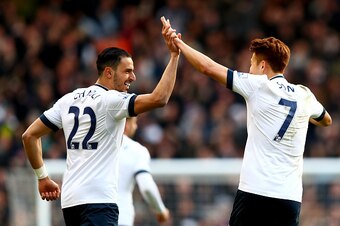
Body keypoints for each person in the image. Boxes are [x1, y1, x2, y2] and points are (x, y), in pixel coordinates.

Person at [167, 22, 332, 226]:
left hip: (255, 192)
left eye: (252, 64)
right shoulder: (304, 94)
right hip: (290, 198)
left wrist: (178, 44)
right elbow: (326, 120)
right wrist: (302, 114)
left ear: (263, 66)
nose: (250, 70)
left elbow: (207, 67)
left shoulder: (258, 85)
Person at [21, 16, 179, 226]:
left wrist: (42, 177)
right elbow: (160, 99)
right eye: (128, 71)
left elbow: (29, 136)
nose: (133, 77)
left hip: (71, 202)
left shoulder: (68, 99)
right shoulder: (112, 100)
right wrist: (174, 56)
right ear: (108, 72)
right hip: (99, 201)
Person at [118, 117, 169, 226]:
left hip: (87, 215)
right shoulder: (136, 150)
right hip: (120, 217)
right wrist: (160, 210)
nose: (135, 127)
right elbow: (146, 187)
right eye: (134, 122)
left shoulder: (90, 146)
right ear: (126, 124)